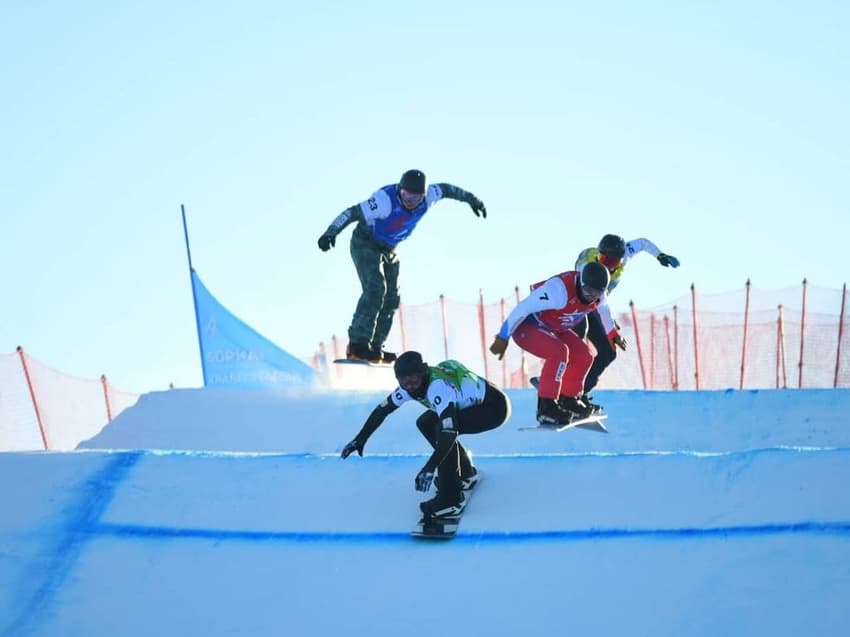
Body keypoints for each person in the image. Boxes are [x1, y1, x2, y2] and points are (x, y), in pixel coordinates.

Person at [317, 169, 487, 364]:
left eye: (415, 198)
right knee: (375, 288)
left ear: (423, 196)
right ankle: (357, 345)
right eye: (405, 195)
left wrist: (473, 200)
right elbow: (351, 212)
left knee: (391, 298)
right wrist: (330, 232)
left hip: (389, 249)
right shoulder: (384, 200)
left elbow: (450, 190)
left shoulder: (430, 196)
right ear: (399, 190)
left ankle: (375, 347)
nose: (409, 201)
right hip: (366, 242)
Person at [340, 351, 511, 518]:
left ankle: (450, 501)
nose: (409, 385)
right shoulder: (408, 388)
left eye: (413, 379)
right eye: (403, 380)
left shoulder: (438, 388)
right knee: (425, 423)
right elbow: (382, 411)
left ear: (423, 372)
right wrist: (360, 439)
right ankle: (465, 473)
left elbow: (448, 433)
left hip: (494, 409)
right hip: (475, 403)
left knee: (442, 430)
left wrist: (430, 467)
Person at [489, 261, 613, 426]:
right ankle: (546, 408)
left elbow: (605, 312)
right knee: (559, 352)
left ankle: (569, 399)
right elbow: (523, 308)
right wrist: (503, 337)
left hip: (555, 327)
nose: (591, 296)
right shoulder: (558, 291)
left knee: (585, 355)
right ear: (581, 283)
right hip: (527, 327)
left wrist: (613, 333)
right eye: (588, 290)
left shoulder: (600, 296)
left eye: (596, 293)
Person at [573, 234, 680, 404]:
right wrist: (611, 329)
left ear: (620, 259)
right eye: (602, 258)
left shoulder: (626, 256)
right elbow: (598, 302)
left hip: (597, 306)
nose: (605, 265)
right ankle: (560, 383)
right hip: (578, 304)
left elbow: (643, 243)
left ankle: (579, 393)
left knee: (609, 352)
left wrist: (660, 255)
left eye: (611, 262)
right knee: (578, 337)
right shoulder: (588, 266)